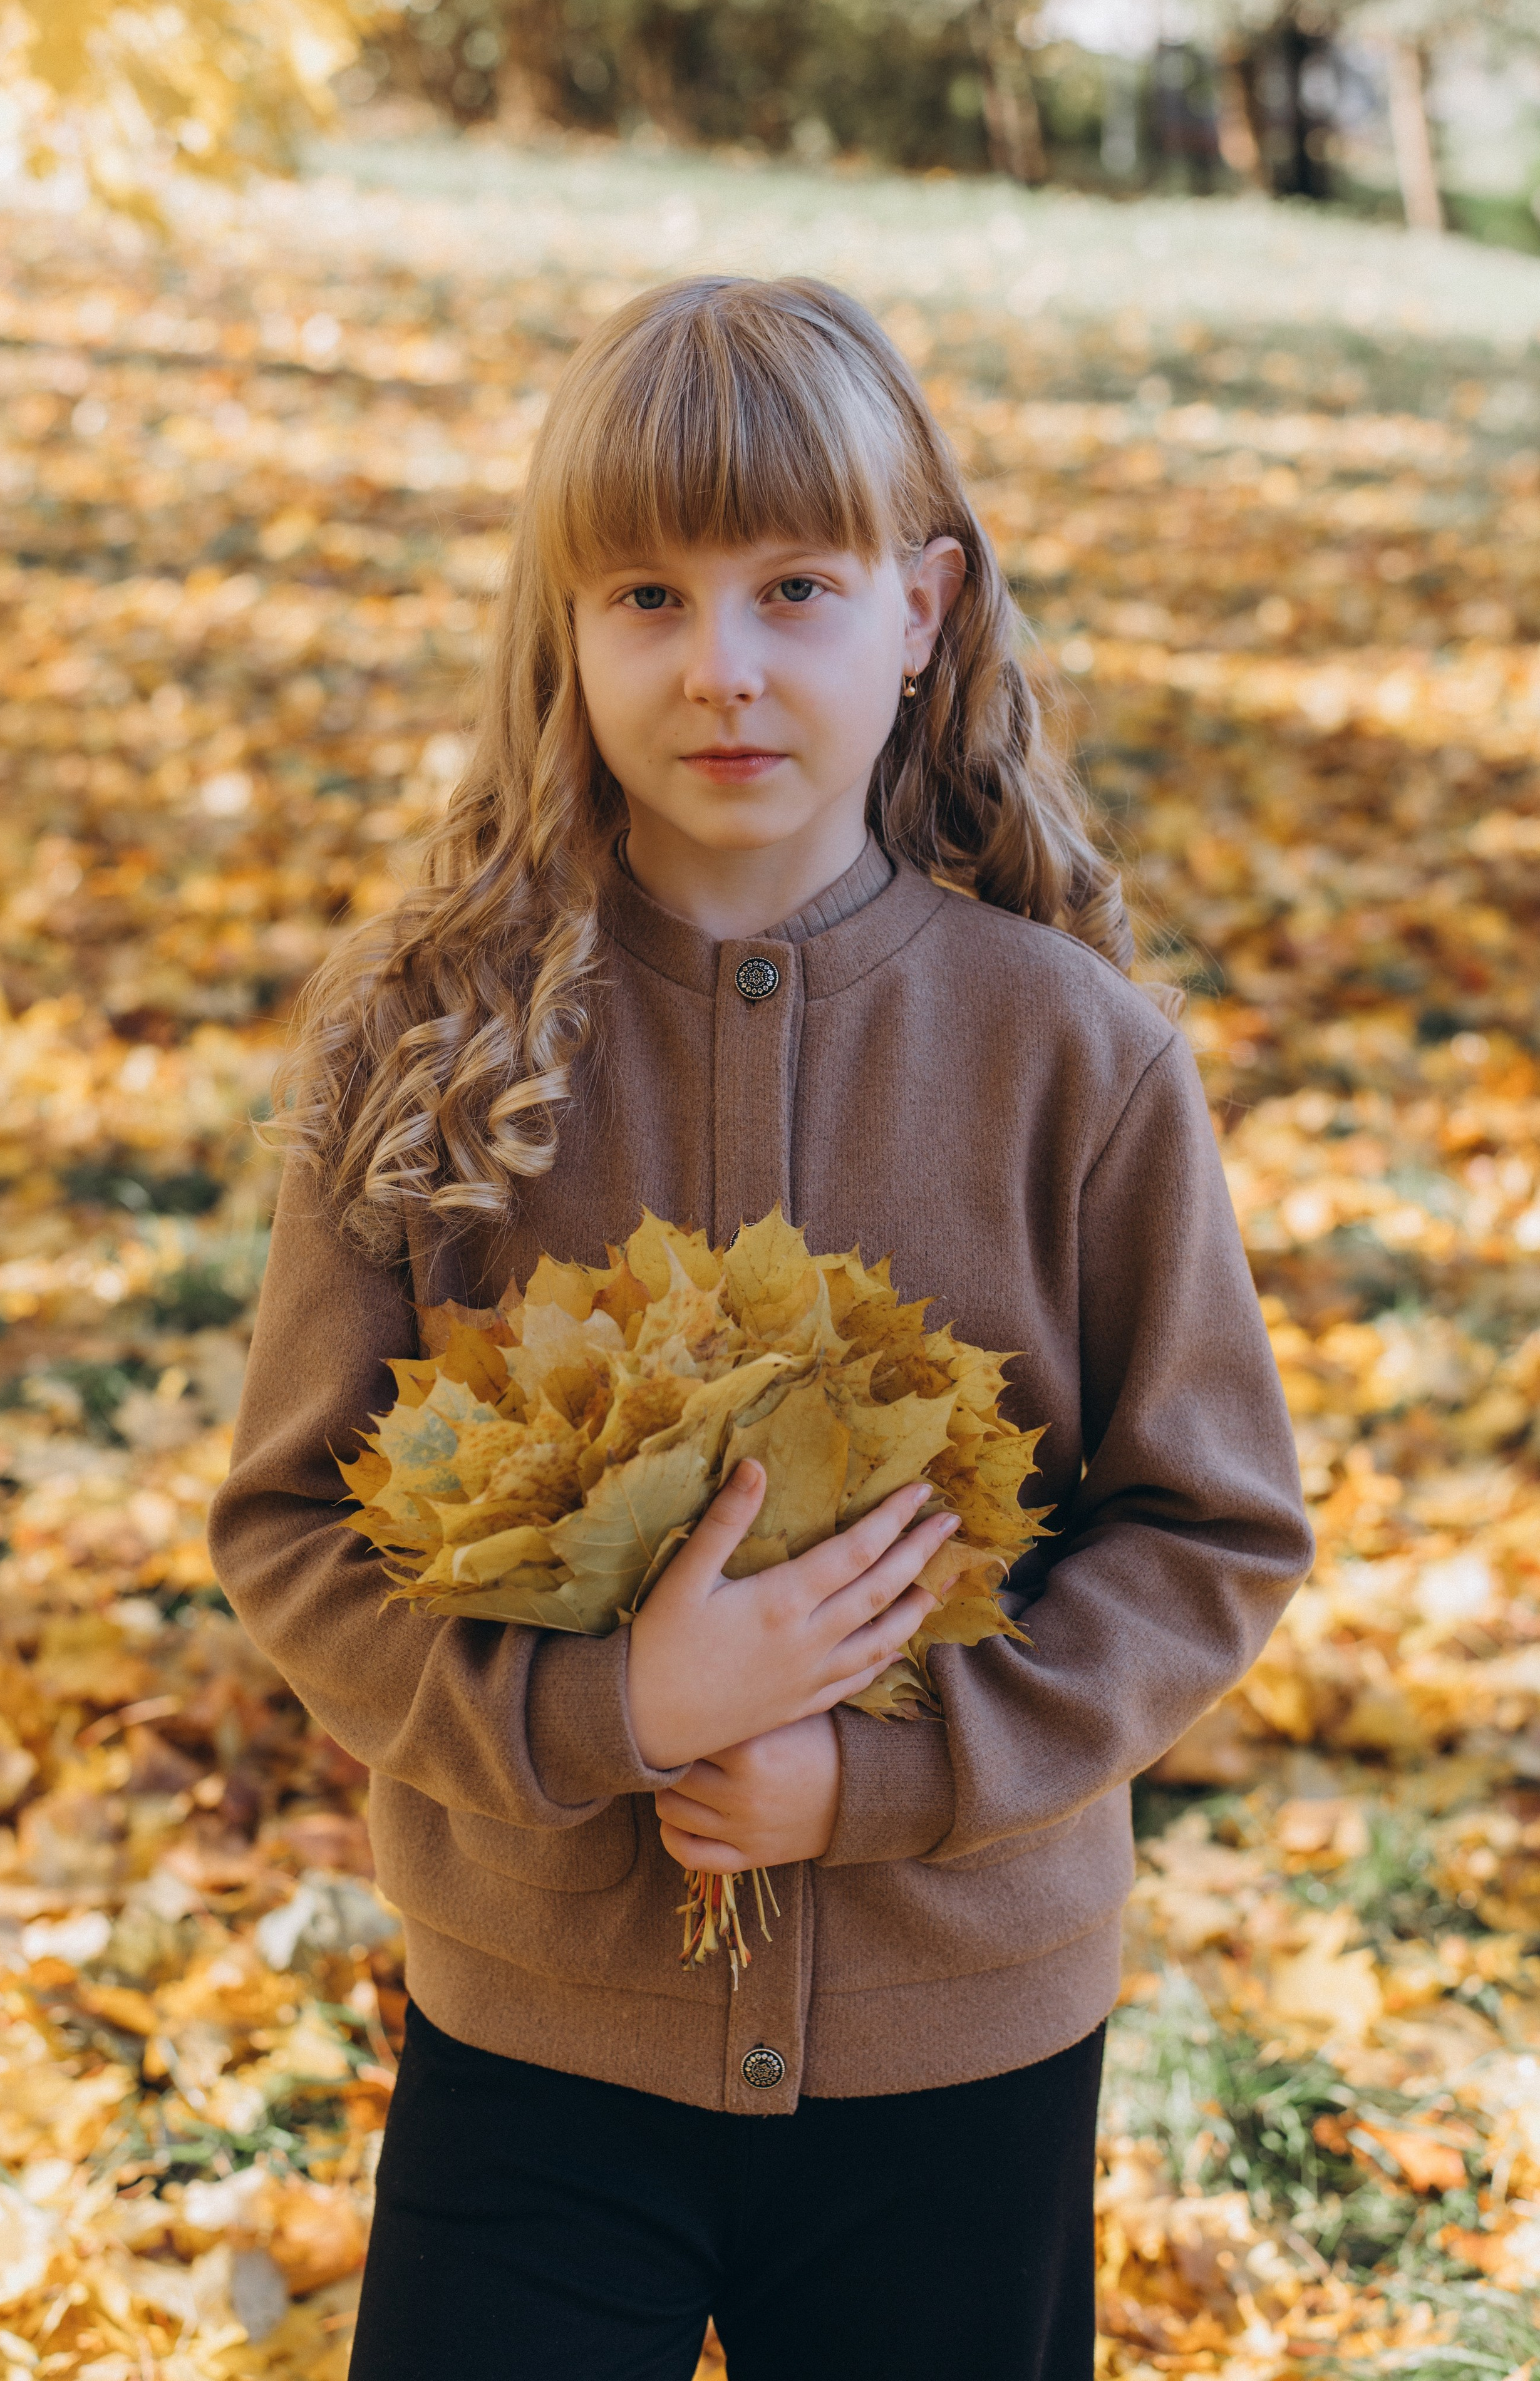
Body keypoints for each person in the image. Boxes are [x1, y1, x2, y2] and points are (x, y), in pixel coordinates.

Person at [207, 274, 1312, 2380]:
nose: (720, 666)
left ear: (921, 609)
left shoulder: (1071, 1058)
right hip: (536, 2036)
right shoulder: (425, 1041)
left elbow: (1212, 1535)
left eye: (793, 587)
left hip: (960, 2048)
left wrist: (871, 1785)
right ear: (565, 626)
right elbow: (287, 1531)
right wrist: (613, 1705)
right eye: (646, 595)